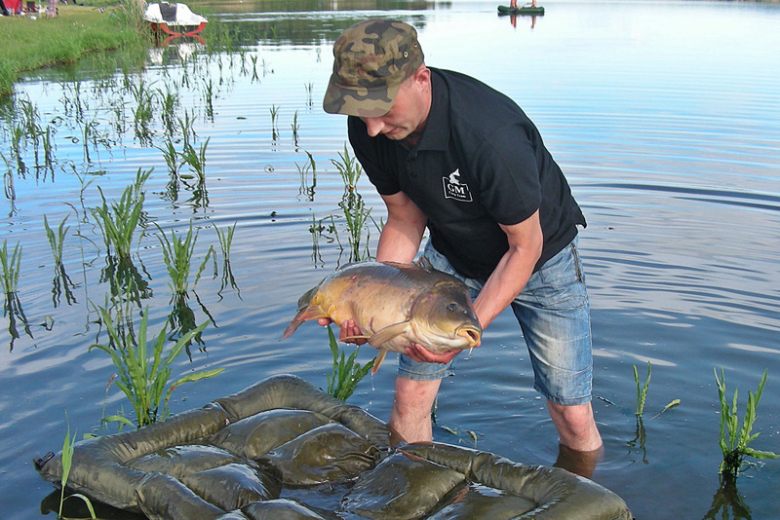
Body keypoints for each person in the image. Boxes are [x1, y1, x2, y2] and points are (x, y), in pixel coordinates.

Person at [321, 19, 602, 457]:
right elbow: (404, 218)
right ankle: (415, 489)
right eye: (360, 110)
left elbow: (524, 247)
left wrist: (460, 334)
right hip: (451, 256)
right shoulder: (369, 127)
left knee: (572, 413)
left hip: (542, 259)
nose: (371, 127)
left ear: (420, 78)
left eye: (381, 107)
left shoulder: (489, 135)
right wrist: (374, 302)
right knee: (410, 396)